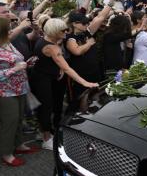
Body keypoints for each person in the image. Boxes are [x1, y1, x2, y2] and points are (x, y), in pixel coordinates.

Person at [30, 18, 98, 150]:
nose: (67, 31)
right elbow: (67, 68)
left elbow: (58, 64)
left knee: (49, 106)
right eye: (63, 30)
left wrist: (59, 68)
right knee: (46, 107)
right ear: (55, 31)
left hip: (45, 76)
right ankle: (46, 138)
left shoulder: (48, 39)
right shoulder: (52, 47)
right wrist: (85, 83)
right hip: (42, 79)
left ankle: (44, 131)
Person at [0, 17, 38, 167]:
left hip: (19, 88)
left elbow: (16, 60)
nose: (10, 30)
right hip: (5, 92)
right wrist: (14, 69)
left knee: (19, 118)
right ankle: (7, 153)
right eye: (7, 28)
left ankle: (19, 145)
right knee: (10, 122)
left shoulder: (7, 43)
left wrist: (27, 63)